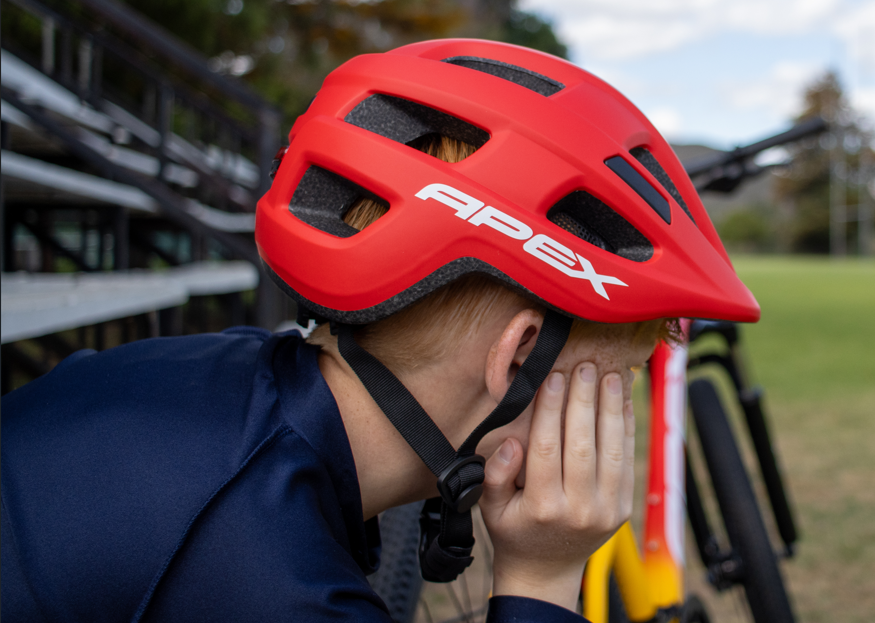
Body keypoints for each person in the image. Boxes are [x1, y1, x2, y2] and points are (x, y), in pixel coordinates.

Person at [1, 39, 760, 622]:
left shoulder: (227, 381)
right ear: (519, 354)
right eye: (617, 380)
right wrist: (542, 581)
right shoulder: (270, 579)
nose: (618, 415)